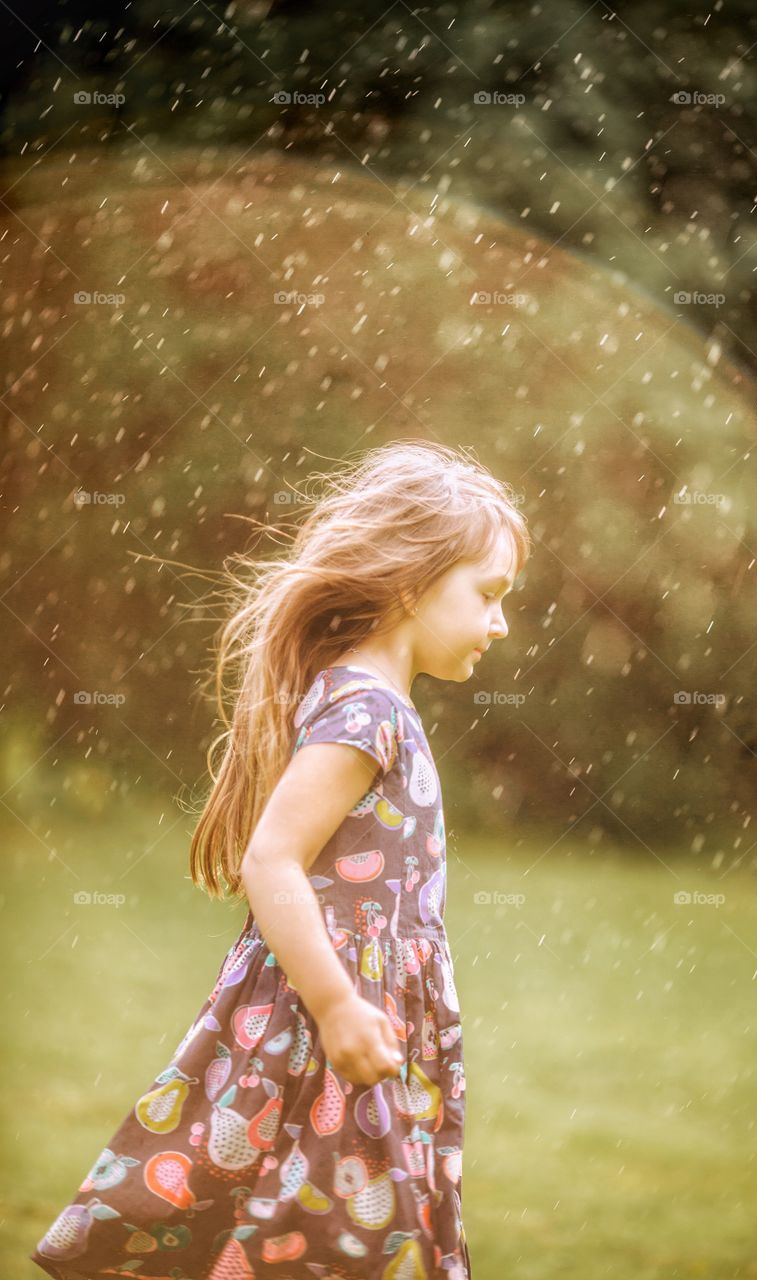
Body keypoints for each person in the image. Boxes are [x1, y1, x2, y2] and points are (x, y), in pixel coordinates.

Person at [30, 440, 531, 1280]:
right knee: (320, 1241)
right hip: (330, 1015)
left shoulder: (368, 701)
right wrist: (336, 1005)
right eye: (487, 594)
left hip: (356, 1014)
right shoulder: (366, 710)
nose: (500, 622)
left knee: (302, 1228)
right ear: (412, 585)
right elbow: (271, 860)